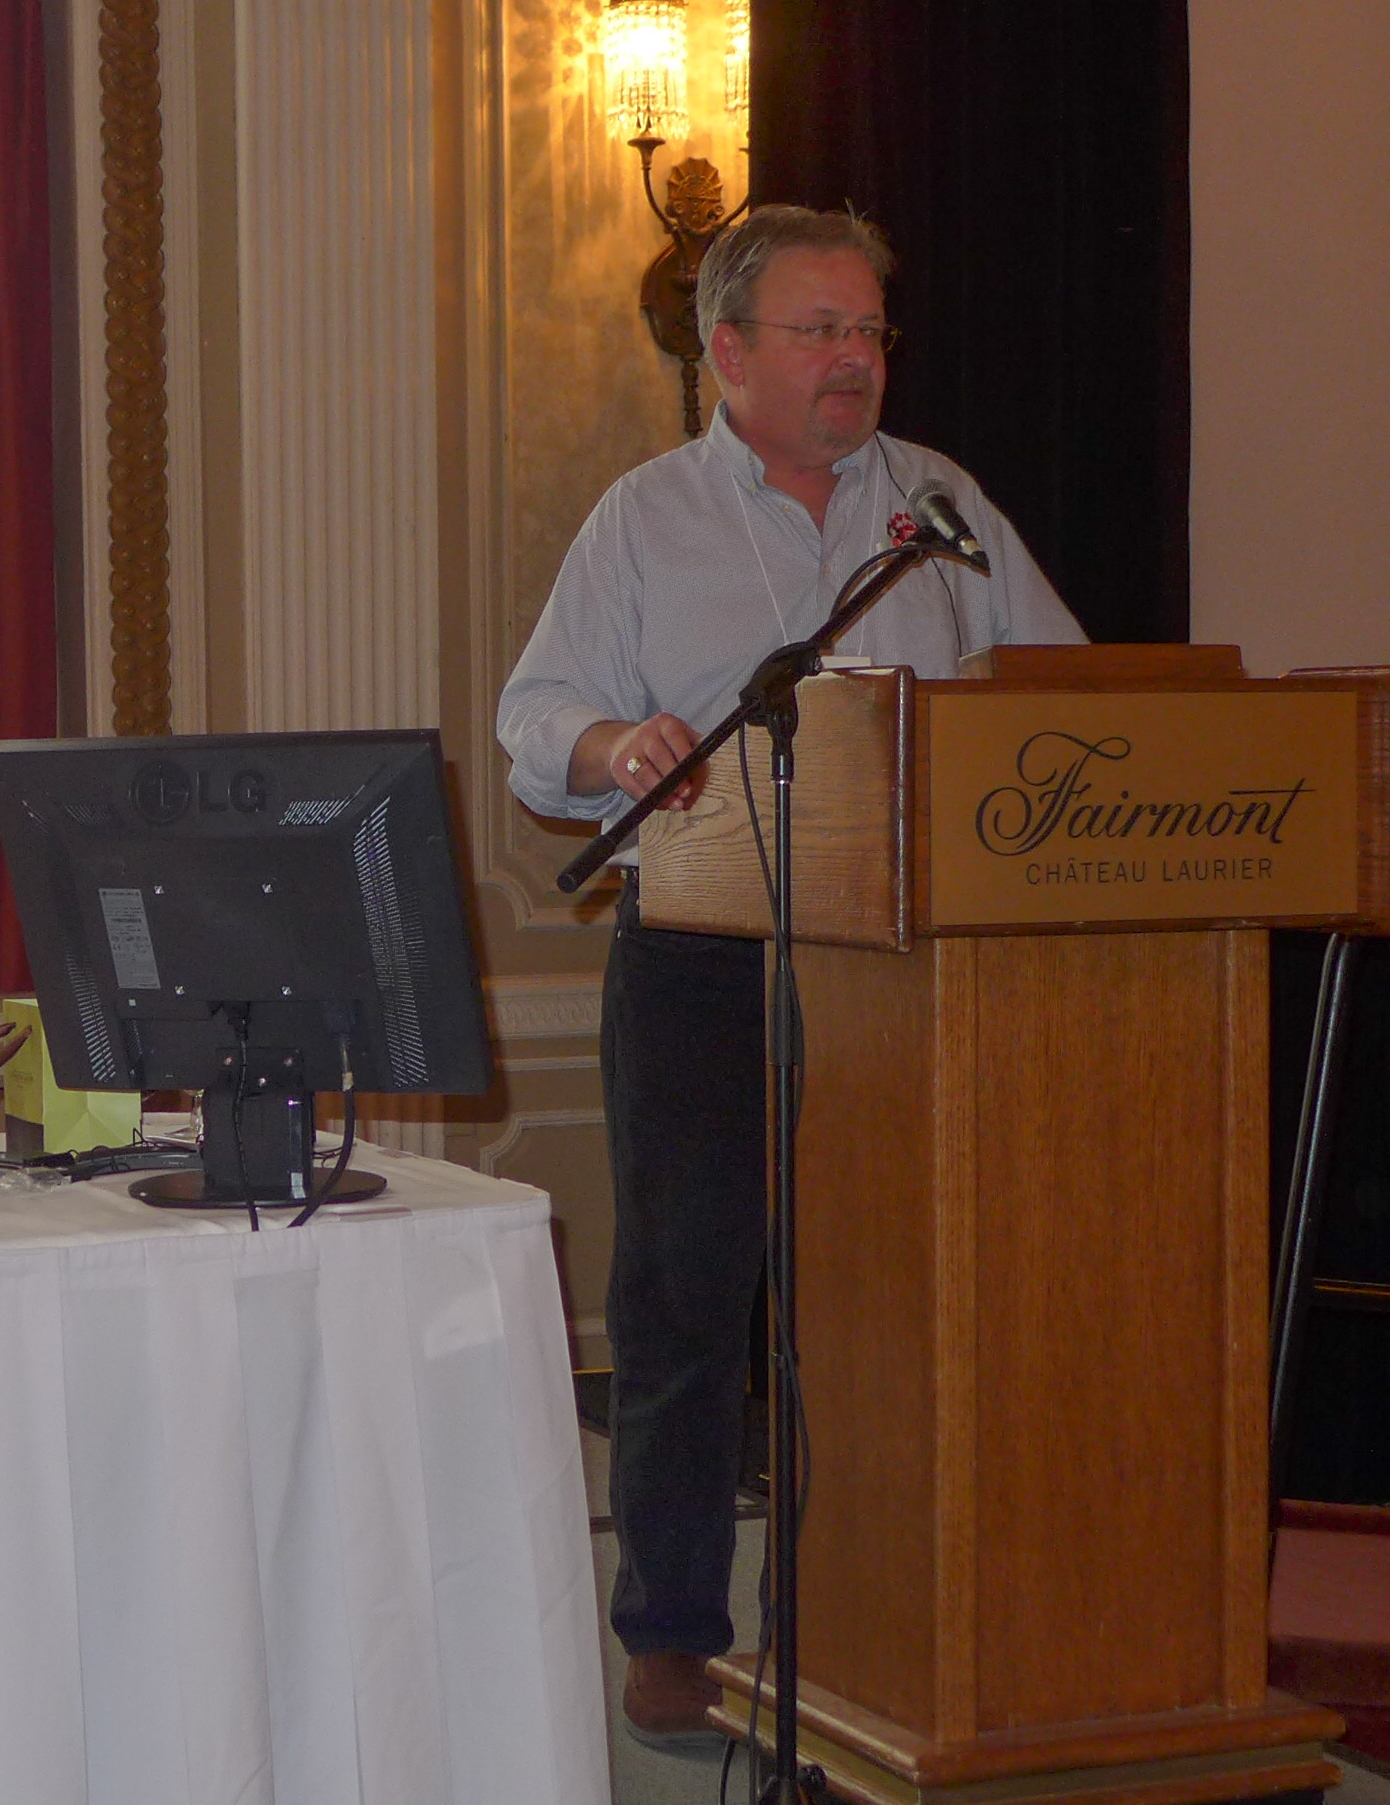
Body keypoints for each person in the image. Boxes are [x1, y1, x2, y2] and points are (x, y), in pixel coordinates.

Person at [498, 206, 1084, 1743]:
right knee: (690, 1297)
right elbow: (536, 709)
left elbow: (1060, 682)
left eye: (871, 332)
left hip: (911, 972)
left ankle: (897, 1623)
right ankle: (678, 1630)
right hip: (704, 956)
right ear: (729, 351)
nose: (854, 360)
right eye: (820, 331)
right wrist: (612, 743)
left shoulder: (943, 504)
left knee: (904, 1302)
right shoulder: (644, 518)